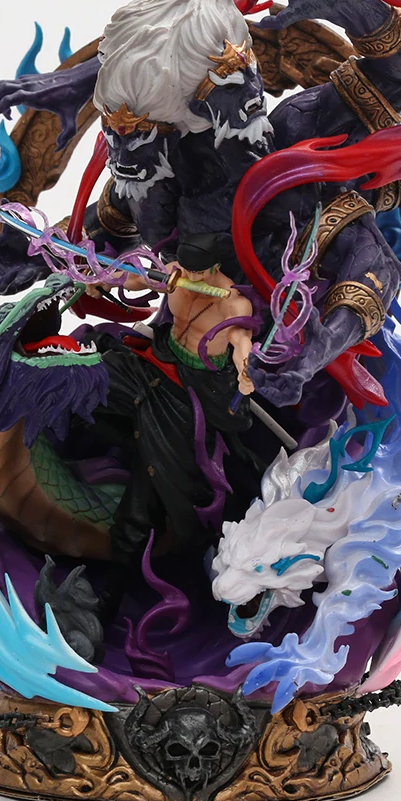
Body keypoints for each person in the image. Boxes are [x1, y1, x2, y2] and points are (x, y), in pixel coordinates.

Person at [81, 233, 262, 622]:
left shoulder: (233, 302)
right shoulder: (177, 273)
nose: (190, 276)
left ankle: (109, 596)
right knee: (85, 375)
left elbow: (240, 339)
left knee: (149, 490)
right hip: (157, 360)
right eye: (187, 268)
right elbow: (134, 278)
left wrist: (245, 370)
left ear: (215, 268)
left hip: (191, 392)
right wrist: (100, 276)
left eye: (199, 271)